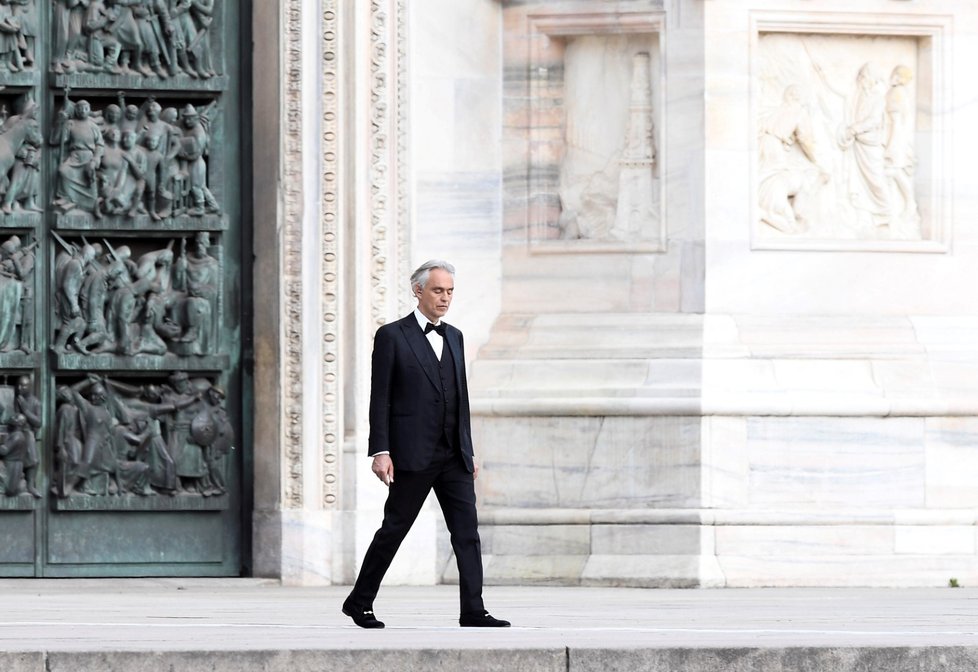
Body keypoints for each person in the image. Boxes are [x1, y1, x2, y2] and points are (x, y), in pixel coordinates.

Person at [342, 260, 509, 629]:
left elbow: (460, 397)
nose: (445, 298)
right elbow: (379, 398)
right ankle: (359, 601)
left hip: (453, 455)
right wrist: (380, 451)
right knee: (394, 530)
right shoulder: (392, 336)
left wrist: (468, 449)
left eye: (450, 291)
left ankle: (473, 610)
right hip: (412, 455)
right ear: (418, 291)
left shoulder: (455, 336)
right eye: (438, 290)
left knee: (467, 533)